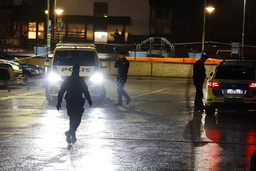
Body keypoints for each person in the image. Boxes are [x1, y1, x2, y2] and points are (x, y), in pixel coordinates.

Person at [56, 64, 92, 144]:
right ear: (78, 70)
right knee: (77, 120)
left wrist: (59, 101)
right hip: (77, 101)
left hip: (70, 101)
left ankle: (71, 135)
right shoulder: (80, 80)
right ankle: (70, 133)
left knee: (72, 118)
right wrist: (89, 99)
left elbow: (61, 91)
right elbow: (86, 91)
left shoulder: (68, 79)